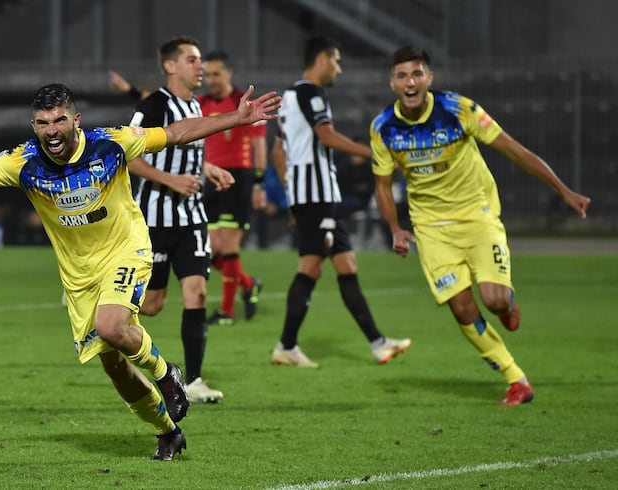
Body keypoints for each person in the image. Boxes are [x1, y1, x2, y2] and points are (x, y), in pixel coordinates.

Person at [0, 82, 280, 459]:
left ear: (76, 119)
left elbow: (175, 134)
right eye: (41, 122)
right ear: (34, 126)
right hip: (79, 277)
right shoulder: (22, 161)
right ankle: (167, 432)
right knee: (113, 366)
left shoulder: (111, 143)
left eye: (58, 120)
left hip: (125, 251)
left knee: (112, 326)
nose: (51, 130)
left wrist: (235, 119)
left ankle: (168, 374)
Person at [370, 46, 591, 405]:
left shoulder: (459, 109)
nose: (410, 82)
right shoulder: (383, 128)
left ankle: (506, 304)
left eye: (417, 74)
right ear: (392, 83)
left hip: (477, 215)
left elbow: (514, 150)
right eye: (402, 75)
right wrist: (396, 229)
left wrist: (563, 190)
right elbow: (382, 185)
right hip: (431, 228)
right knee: (461, 308)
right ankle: (515, 377)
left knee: (493, 299)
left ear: (429, 78)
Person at [271, 36, 412, 368]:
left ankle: (378, 343)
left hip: (314, 196)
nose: (339, 69)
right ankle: (286, 346)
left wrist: (292, 193)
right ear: (321, 59)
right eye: (336, 61)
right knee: (311, 266)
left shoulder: (289, 96)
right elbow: (327, 136)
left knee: (346, 264)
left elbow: (279, 150)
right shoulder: (311, 93)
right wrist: (375, 153)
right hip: (317, 196)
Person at [126, 37, 232, 404]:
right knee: (152, 305)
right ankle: (105, 313)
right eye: (192, 60)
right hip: (154, 218)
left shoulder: (194, 105)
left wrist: (209, 167)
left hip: (191, 217)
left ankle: (195, 379)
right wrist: (171, 180)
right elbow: (129, 155)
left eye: (200, 60)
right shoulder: (154, 106)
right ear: (171, 66)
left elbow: (185, 153)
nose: (199, 66)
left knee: (197, 291)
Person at [198, 51, 267, 326]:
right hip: (212, 179)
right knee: (212, 248)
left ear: (229, 73)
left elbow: (259, 144)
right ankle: (248, 284)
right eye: (208, 74)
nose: (211, 79)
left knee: (228, 244)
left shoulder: (243, 104)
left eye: (216, 74)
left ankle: (226, 312)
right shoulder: (200, 103)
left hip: (239, 178)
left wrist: (259, 183)